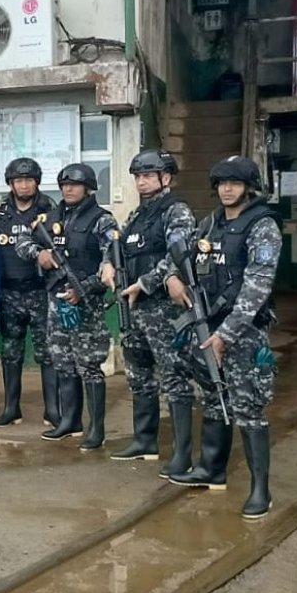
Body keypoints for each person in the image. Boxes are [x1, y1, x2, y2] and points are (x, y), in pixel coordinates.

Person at [168, 156, 279, 520]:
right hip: (207, 324)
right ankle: (212, 469)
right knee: (214, 398)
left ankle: (260, 489)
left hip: (243, 333)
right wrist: (173, 278)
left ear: (249, 186)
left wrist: (226, 335)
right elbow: (178, 255)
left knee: (248, 408)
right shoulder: (210, 223)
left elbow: (257, 288)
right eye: (221, 183)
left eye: (234, 183)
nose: (227, 189)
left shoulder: (262, 226)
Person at [15, 163, 118, 449]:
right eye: (64, 184)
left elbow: (112, 260)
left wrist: (84, 288)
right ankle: (69, 421)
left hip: (87, 303)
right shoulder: (49, 217)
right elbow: (21, 241)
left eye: (75, 184)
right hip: (55, 301)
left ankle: (96, 429)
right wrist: (40, 254)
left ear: (88, 188)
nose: (68, 189)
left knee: (89, 366)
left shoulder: (102, 220)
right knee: (62, 362)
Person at [112, 150, 198, 477]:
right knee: (139, 376)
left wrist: (144, 283)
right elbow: (116, 245)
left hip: (163, 309)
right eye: (138, 176)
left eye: (149, 175)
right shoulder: (136, 215)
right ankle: (144, 441)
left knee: (174, 378)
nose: (142, 181)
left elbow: (179, 254)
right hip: (135, 309)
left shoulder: (176, 212)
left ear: (166, 178)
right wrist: (108, 263)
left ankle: (182, 454)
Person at [0, 158, 58, 428]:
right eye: (18, 180)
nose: (24, 185)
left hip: (41, 291)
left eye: (29, 180)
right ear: (10, 183)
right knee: (11, 353)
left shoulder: (49, 208)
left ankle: (52, 410)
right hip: (9, 293)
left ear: (37, 182)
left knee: (47, 353)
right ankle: (10, 409)